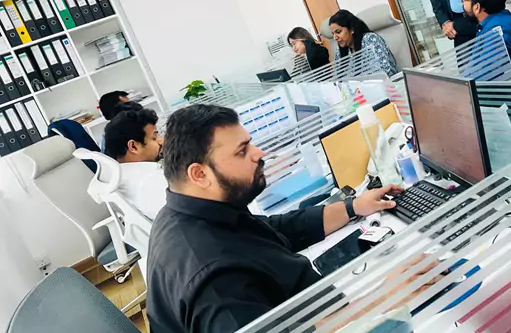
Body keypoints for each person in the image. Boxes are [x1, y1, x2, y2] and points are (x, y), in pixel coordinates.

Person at [147, 105, 432, 332]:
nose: (258, 153)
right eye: (242, 151)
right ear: (199, 174)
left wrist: (353, 206)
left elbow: (277, 229)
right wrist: (384, 297)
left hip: (325, 310)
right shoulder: (216, 284)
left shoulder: (191, 211)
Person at [104, 108, 166, 219]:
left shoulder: (118, 176)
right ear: (133, 146)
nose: (161, 141)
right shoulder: (151, 180)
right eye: (154, 137)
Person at [330, 10, 398, 76]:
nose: (335, 37)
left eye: (338, 32)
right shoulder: (340, 51)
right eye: (333, 34)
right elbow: (338, 78)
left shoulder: (370, 39)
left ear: (351, 29)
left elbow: (384, 71)